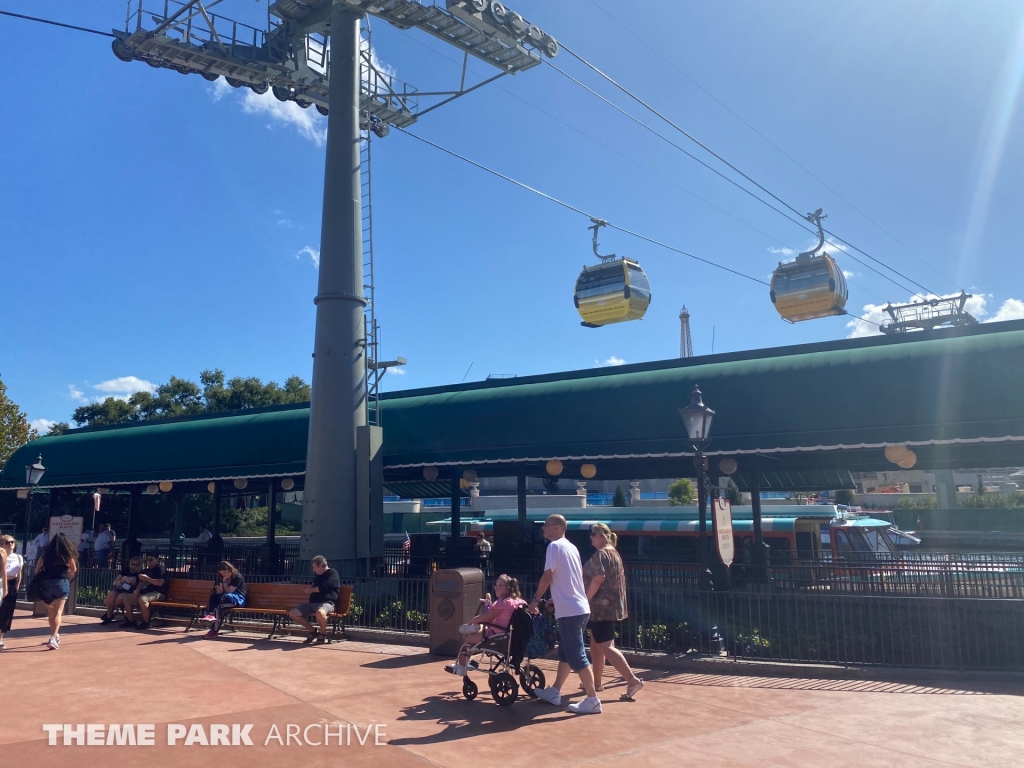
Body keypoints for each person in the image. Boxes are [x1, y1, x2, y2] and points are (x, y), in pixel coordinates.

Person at [529, 514, 602, 714]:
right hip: (577, 608)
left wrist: (536, 600)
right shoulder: (572, 548)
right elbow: (571, 578)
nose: (543, 529)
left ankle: (592, 699)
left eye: (546, 526)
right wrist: (556, 600)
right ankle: (555, 692)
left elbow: (547, 576)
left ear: (558, 528)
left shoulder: (554, 547)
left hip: (570, 611)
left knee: (577, 656)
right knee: (566, 653)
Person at [583, 523, 643, 699]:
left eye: (593, 534)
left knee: (606, 645)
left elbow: (598, 578)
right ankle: (597, 682)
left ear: (602, 535)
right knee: (596, 642)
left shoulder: (602, 554)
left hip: (601, 607)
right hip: (611, 606)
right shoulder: (614, 553)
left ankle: (632, 680)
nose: (591, 538)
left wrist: (585, 598)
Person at [449, 574, 526, 675]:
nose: (496, 588)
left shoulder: (503, 603)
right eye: (496, 586)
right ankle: (465, 661)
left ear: (508, 587)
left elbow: (486, 618)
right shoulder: (520, 602)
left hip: (498, 636)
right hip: (512, 637)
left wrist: (472, 620)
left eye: (499, 586)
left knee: (469, 638)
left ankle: (461, 667)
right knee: (479, 630)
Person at [34, 532, 79, 650]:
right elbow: (73, 570)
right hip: (61, 582)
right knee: (58, 612)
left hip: (47, 583)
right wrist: (67, 578)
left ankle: (54, 633)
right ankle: (53, 637)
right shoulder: (68, 555)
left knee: (51, 611)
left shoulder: (45, 555)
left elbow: (37, 570)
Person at [288, 555, 340, 645]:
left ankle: (323, 633)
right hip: (313, 603)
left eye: (314, 567)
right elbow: (313, 584)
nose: (313, 570)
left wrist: (310, 591)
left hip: (327, 603)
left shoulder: (332, 573)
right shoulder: (318, 576)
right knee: (293, 613)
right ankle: (312, 631)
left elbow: (323, 587)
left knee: (320, 613)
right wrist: (307, 589)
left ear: (320, 565)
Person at [200, 561, 247, 639]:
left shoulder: (237, 577)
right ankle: (211, 614)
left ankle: (214, 630)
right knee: (214, 596)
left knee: (218, 606)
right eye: (222, 573)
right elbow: (222, 591)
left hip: (237, 599)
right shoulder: (222, 577)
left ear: (230, 570)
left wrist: (225, 581)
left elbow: (229, 591)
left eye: (224, 572)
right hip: (225, 598)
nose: (223, 575)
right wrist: (220, 590)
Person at [122, 554, 166, 630]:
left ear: (157, 559)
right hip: (146, 592)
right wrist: (137, 591)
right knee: (127, 598)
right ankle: (131, 620)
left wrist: (148, 579)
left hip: (158, 593)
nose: (148, 562)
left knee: (143, 599)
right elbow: (142, 583)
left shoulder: (161, 569)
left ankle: (146, 622)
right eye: (147, 560)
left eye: (151, 560)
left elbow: (160, 583)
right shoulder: (147, 570)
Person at [99, 557, 143, 625]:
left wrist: (134, 583)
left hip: (131, 591)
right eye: (133, 564)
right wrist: (121, 580)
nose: (134, 566)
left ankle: (108, 614)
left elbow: (141, 584)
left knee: (120, 597)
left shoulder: (140, 573)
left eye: (136, 565)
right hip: (120, 588)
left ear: (139, 565)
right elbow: (114, 582)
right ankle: (109, 615)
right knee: (111, 595)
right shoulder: (126, 570)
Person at [0, 536, 24, 649]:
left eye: (12, 542)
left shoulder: (18, 557)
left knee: (7, 613)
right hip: (1, 583)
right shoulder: (1, 556)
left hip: (12, 585)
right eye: (7, 542)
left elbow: (19, 574)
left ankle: (0, 638)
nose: (10, 544)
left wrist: (17, 586)